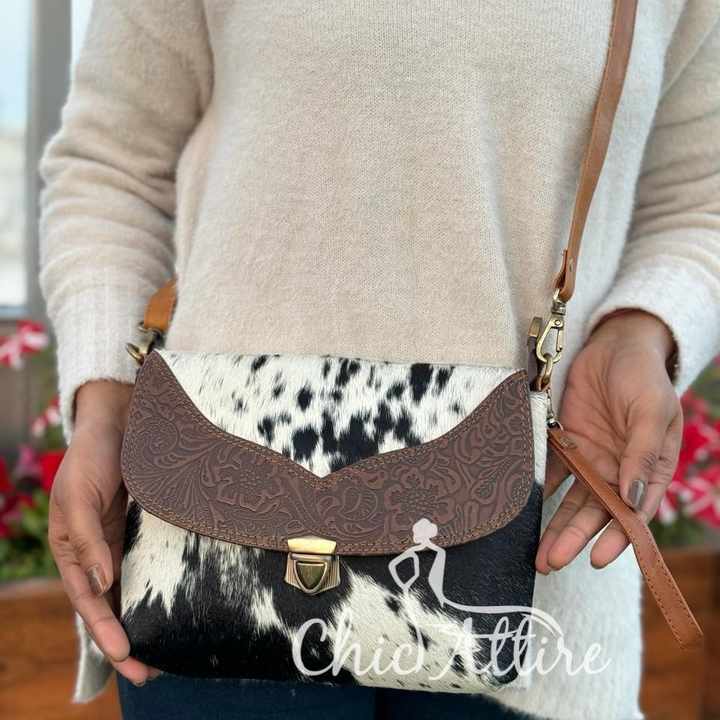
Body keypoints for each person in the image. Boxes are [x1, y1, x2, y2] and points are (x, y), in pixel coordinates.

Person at [39, 2, 720, 719]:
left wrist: (642, 329)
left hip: (534, 597)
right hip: (202, 577)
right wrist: (104, 402)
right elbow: (112, 168)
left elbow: (700, 204)